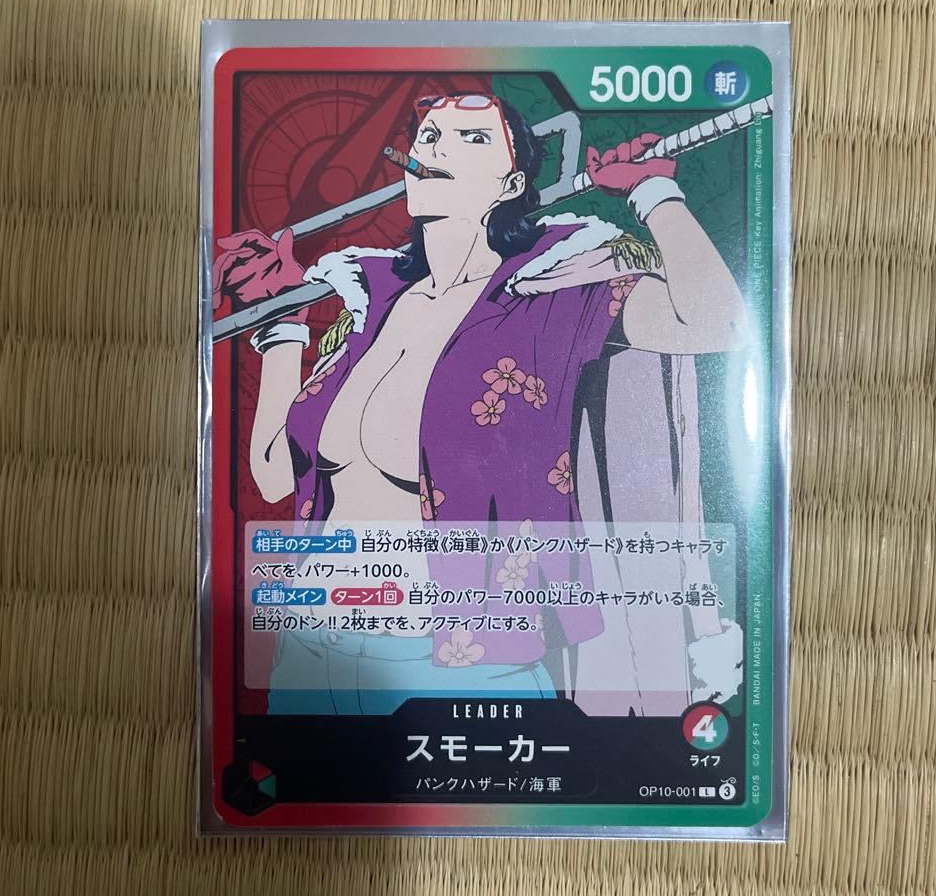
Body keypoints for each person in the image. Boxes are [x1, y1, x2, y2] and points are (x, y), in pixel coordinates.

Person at [212, 92, 746, 715]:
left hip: (454, 662)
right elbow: (276, 474)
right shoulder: (370, 300)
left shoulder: (548, 295)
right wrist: (282, 320)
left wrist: (653, 193)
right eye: (429, 135)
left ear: (511, 184)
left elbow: (718, 322)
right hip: (311, 649)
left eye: (472, 138)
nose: (434, 145)